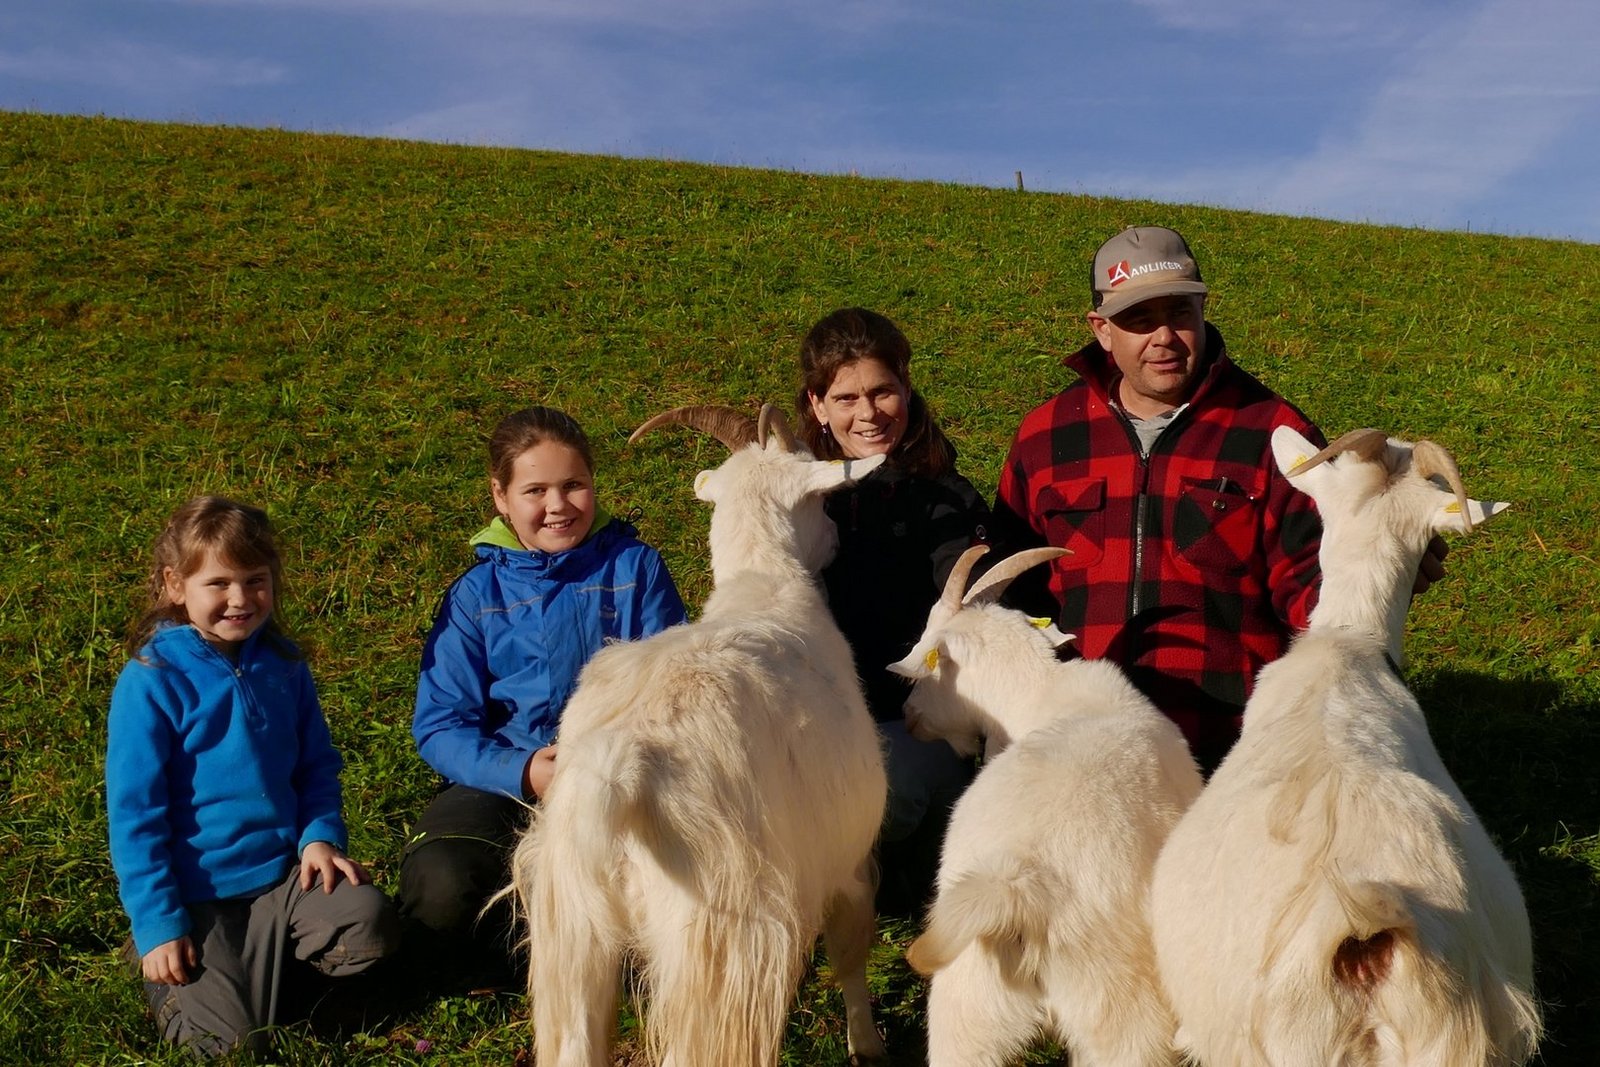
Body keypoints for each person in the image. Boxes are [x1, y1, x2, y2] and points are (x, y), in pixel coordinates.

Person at [993, 226, 1448, 774]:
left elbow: (1314, 587)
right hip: (1075, 745)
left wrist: (1383, 562)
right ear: (1102, 330)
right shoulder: (1045, 436)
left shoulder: (1273, 432)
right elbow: (1014, 595)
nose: (1163, 336)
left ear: (1203, 309)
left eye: (1179, 313)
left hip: (1231, 753)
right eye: (1139, 319)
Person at [399, 405, 686, 984]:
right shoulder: (474, 595)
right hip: (508, 778)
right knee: (441, 883)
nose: (558, 505)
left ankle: (612, 952)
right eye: (535, 490)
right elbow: (440, 724)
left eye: (573, 485)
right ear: (501, 497)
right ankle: (524, 959)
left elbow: (672, 683)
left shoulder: (637, 568)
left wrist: (618, 760)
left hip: (622, 773)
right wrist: (523, 770)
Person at [106, 496, 398, 1059]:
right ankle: (165, 965)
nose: (239, 599)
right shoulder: (152, 680)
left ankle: (266, 968)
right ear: (175, 585)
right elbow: (135, 815)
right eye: (218, 583)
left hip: (283, 880)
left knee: (369, 920)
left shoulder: (283, 664)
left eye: (255, 581)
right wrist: (159, 922)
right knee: (229, 1049)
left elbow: (317, 766)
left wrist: (319, 837)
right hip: (200, 898)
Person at [795, 307, 992, 916]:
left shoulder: (948, 500)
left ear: (906, 387)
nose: (869, 413)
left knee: (892, 792)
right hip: (813, 720)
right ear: (818, 405)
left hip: (909, 721)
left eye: (882, 391)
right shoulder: (795, 498)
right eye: (845, 398)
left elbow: (973, 611)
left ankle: (893, 885)